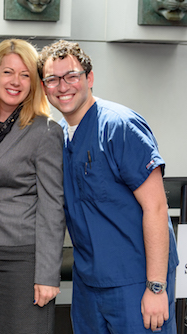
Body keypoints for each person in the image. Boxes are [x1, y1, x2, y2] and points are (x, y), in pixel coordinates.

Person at [38, 40, 179, 333]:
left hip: (136, 280)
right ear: (44, 87)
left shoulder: (119, 126)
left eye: (72, 76)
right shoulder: (57, 137)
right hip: (89, 284)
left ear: (89, 78)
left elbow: (156, 207)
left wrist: (156, 286)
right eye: (52, 79)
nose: (63, 86)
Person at [0, 39, 65, 334]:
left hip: (23, 261)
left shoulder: (45, 131)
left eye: (25, 75)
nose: (16, 82)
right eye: (9, 72)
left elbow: (52, 207)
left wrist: (48, 275)